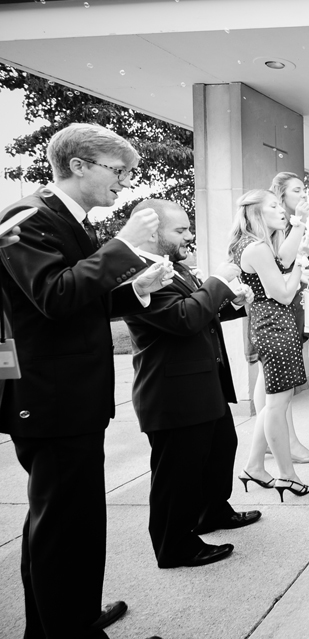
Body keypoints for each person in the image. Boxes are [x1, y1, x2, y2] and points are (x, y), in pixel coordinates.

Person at [0, 122, 173, 639]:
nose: (124, 182)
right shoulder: (28, 218)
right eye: (117, 170)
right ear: (79, 166)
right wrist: (122, 247)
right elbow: (52, 297)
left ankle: (63, 618)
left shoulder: (69, 220)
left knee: (67, 521)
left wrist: (132, 289)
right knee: (64, 524)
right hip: (49, 398)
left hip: (69, 395)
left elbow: (77, 300)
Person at [123, 199, 262, 569]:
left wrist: (232, 302)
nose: (189, 235)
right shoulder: (138, 275)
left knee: (219, 450)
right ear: (154, 233)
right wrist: (217, 280)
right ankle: (174, 547)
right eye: (180, 230)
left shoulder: (176, 268)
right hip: (173, 392)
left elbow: (203, 312)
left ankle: (212, 512)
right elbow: (183, 319)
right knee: (177, 474)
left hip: (203, 382)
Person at [230, 189, 309, 501]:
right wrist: (301, 268)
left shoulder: (256, 246)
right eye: (274, 206)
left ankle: (254, 466)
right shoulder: (257, 248)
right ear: (255, 214)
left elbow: (284, 260)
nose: (282, 210)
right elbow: (283, 293)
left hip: (270, 327)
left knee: (270, 404)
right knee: (278, 405)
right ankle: (286, 475)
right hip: (275, 328)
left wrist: (299, 229)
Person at [249, 172, 309, 463]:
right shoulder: (279, 227)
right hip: (275, 310)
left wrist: (308, 257)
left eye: (305, 189)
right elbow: (285, 260)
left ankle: (269, 442)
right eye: (297, 190)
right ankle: (287, 442)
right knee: (278, 389)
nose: (304, 195)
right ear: (280, 196)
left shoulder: (288, 225)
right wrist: (300, 230)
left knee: (268, 383)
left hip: (284, 304)